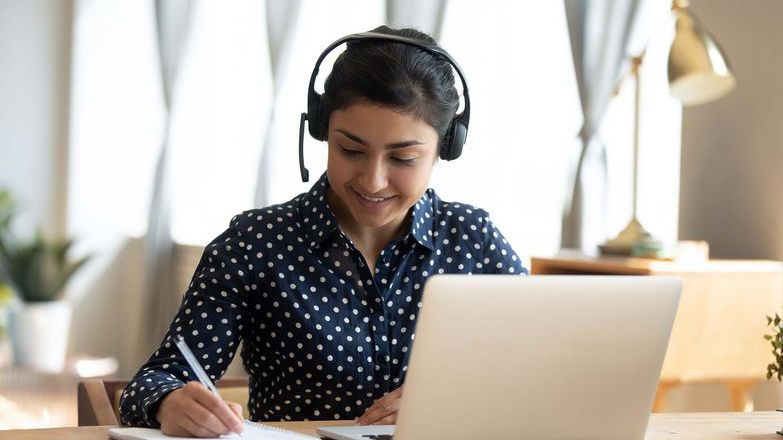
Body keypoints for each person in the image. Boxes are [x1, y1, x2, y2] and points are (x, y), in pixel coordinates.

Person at [119, 25, 527, 437]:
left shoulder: (475, 241)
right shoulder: (255, 243)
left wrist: (454, 402)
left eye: (403, 158)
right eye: (351, 150)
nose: (373, 181)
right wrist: (169, 402)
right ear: (320, 131)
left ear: (445, 148)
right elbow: (152, 382)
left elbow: (541, 371)